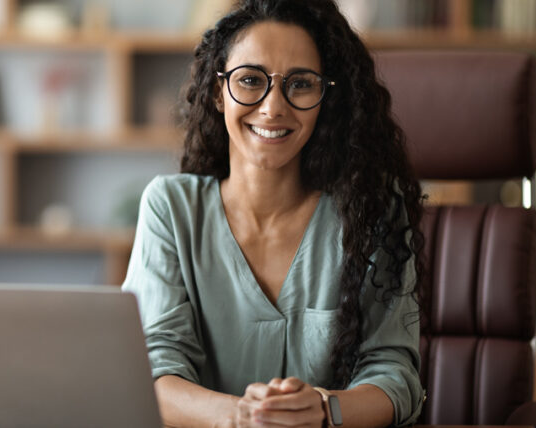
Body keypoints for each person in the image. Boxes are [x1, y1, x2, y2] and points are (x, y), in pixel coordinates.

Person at [122, 0, 425, 426]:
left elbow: (396, 376)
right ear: (216, 91)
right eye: (250, 80)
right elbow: (151, 374)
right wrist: (243, 417)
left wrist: (323, 411)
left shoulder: (373, 208)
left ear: (326, 98)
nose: (272, 108)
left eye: (300, 84)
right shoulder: (171, 210)